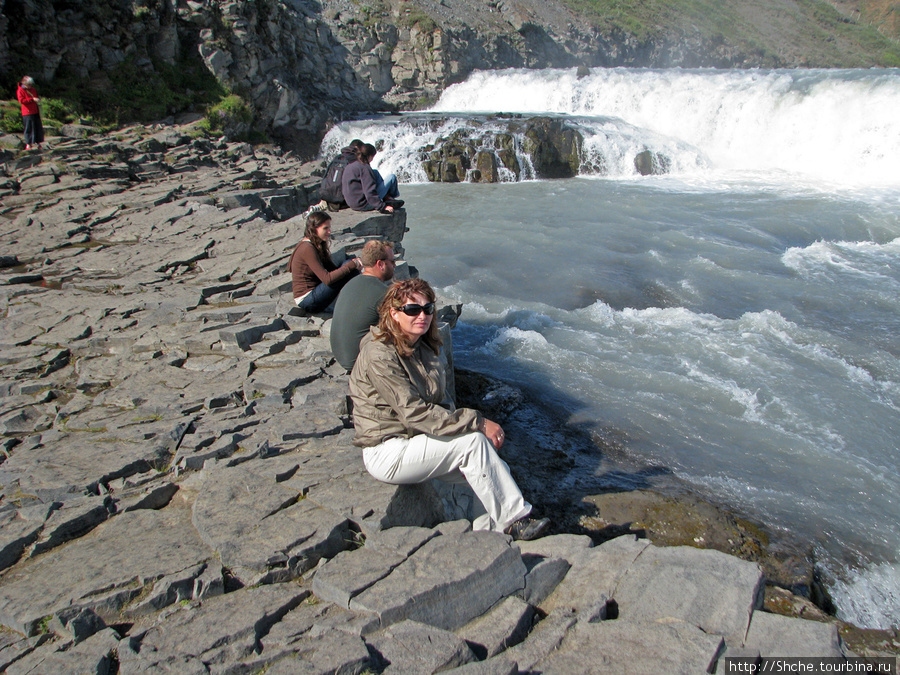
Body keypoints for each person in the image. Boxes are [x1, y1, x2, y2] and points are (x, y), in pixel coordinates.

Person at [349, 278, 550, 541]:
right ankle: (515, 520)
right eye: (412, 309)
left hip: (415, 439)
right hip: (387, 448)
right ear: (393, 313)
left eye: (428, 308)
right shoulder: (380, 354)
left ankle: (490, 535)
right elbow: (414, 412)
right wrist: (477, 422)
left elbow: (442, 403)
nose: (422, 315)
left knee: (488, 466)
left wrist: (463, 426)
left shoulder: (425, 346)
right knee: (473, 445)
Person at [330, 240, 396, 372]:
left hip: (342, 356)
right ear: (380, 264)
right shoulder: (382, 292)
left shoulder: (351, 283)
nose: (394, 265)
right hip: (359, 362)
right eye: (392, 262)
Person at [288, 211, 361, 313]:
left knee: (348, 265)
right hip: (307, 300)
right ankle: (358, 304)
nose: (329, 232)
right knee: (350, 268)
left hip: (314, 294)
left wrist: (352, 264)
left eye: (329, 228)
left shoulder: (316, 244)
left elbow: (333, 270)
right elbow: (327, 279)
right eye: (325, 228)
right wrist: (352, 265)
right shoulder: (307, 248)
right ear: (314, 229)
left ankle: (353, 302)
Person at [304, 139, 364, 217]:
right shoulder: (355, 160)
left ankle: (319, 206)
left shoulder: (338, 158)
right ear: (357, 148)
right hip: (343, 199)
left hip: (329, 196)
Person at [342, 143, 403, 214]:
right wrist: (382, 207)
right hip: (364, 204)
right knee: (392, 177)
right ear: (370, 156)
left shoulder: (352, 164)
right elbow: (369, 191)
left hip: (353, 202)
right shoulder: (365, 168)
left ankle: (387, 197)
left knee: (375, 172)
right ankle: (390, 198)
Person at [16, 76, 44, 151]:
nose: (30, 86)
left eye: (31, 84)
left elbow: (35, 97)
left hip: (35, 111)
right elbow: (21, 100)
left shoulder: (33, 90)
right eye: (29, 84)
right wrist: (32, 99)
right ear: (24, 83)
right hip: (27, 112)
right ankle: (28, 144)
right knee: (28, 128)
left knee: (37, 127)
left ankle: (38, 143)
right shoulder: (20, 90)